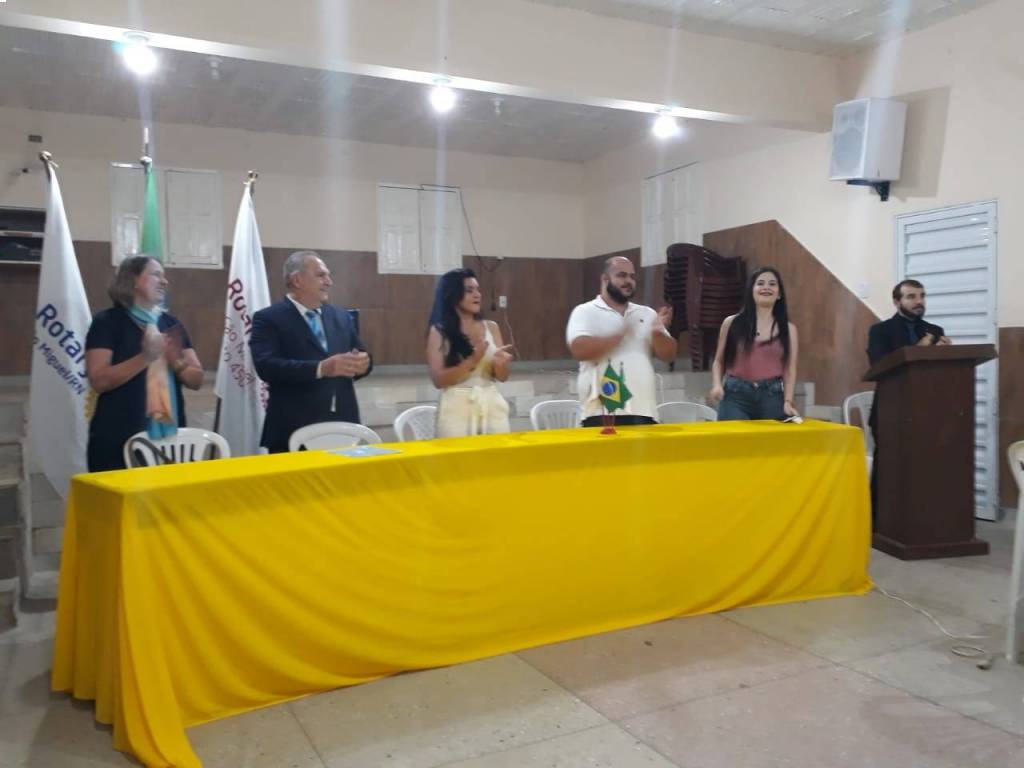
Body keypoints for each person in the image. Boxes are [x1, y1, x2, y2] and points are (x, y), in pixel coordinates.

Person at [84, 256, 204, 471]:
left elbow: (197, 380)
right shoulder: (108, 322)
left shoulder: (170, 323)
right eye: (156, 275)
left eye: (164, 276)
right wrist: (146, 357)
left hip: (171, 440)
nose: (164, 281)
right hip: (118, 438)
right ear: (133, 280)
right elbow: (99, 380)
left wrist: (175, 361)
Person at [249, 250, 372, 453]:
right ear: (297, 280)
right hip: (291, 427)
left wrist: (363, 363)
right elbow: (266, 366)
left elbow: (359, 353)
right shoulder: (268, 318)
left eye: (328, 275)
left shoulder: (341, 316)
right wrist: (321, 368)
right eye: (321, 275)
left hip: (342, 424)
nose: (329, 282)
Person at [865, 279, 951, 515]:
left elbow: (939, 373)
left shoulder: (935, 330)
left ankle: (923, 516)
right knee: (889, 469)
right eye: (911, 297)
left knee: (925, 467)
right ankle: (880, 520)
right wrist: (919, 349)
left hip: (927, 411)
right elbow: (878, 367)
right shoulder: (880, 331)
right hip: (891, 412)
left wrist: (946, 354)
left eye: (922, 296)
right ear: (897, 302)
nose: (919, 301)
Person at [566, 256, 677, 427]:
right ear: (605, 279)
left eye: (632, 277)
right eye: (622, 275)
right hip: (600, 412)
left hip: (643, 411)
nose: (628, 281)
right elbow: (579, 350)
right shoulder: (585, 311)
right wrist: (619, 335)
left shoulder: (647, 313)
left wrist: (657, 335)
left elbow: (669, 355)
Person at [426, 268, 513, 437]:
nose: (477, 295)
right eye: (469, 290)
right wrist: (472, 361)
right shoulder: (439, 331)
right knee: (458, 454)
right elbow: (438, 380)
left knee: (498, 452)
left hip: (491, 404)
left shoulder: (492, 327)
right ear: (453, 294)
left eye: (478, 290)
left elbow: (502, 377)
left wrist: (500, 365)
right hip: (456, 408)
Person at [709, 266, 799, 421]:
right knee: (735, 436)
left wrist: (788, 401)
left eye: (772, 284)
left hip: (772, 396)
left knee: (774, 437)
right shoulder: (732, 323)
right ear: (751, 290)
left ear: (779, 294)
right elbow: (719, 361)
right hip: (735, 396)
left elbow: (789, 369)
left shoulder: (789, 329)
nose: (766, 287)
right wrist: (717, 385)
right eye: (760, 283)